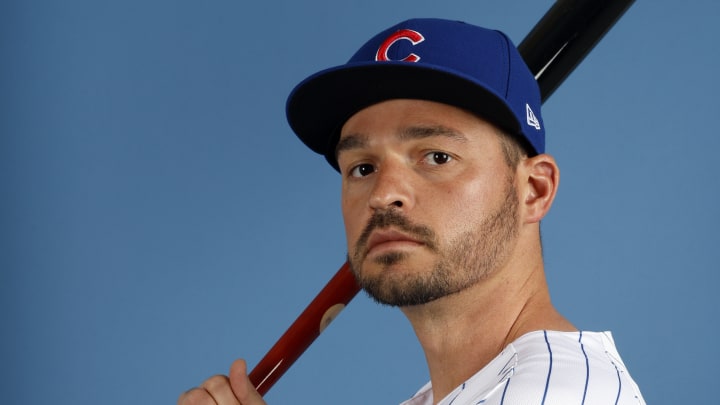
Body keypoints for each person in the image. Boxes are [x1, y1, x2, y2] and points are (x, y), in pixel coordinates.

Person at [178, 18, 646, 405]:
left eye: (436, 157)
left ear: (534, 191)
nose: (384, 194)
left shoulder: (558, 395)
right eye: (362, 167)